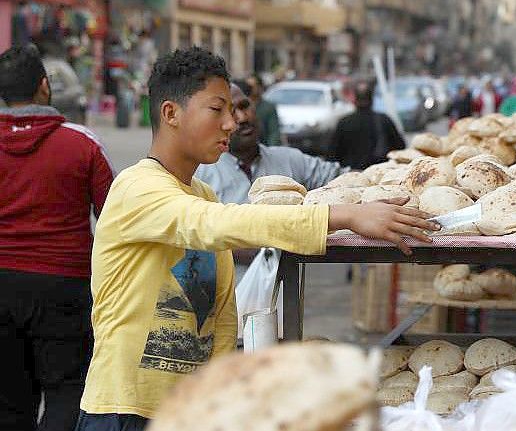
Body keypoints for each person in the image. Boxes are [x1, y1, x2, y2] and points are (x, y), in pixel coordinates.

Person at [76, 47, 439, 430]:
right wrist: (344, 216)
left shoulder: (202, 193)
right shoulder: (137, 187)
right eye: (217, 110)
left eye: (232, 111)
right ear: (171, 113)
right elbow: (212, 223)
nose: (231, 124)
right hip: (124, 411)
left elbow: (221, 319)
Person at [0, 46, 114, 431]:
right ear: (44, 87)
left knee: (9, 404)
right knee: (67, 392)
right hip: (65, 287)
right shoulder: (81, 142)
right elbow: (115, 219)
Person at [195, 81, 346, 279]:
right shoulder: (199, 175)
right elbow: (195, 242)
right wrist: (264, 248)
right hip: (226, 301)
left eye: (244, 106)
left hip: (285, 300)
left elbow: (344, 181)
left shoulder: (290, 160)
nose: (242, 118)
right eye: (231, 111)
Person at [330, 81, 405, 170]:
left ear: (355, 100)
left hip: (350, 175)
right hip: (380, 175)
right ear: (372, 100)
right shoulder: (384, 120)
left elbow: (332, 154)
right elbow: (400, 147)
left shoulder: (344, 122)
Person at [244, 74, 282, 147]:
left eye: (253, 86)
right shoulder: (240, 107)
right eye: (248, 86)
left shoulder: (268, 107)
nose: (250, 89)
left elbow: (274, 132)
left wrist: (271, 151)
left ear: (259, 87)